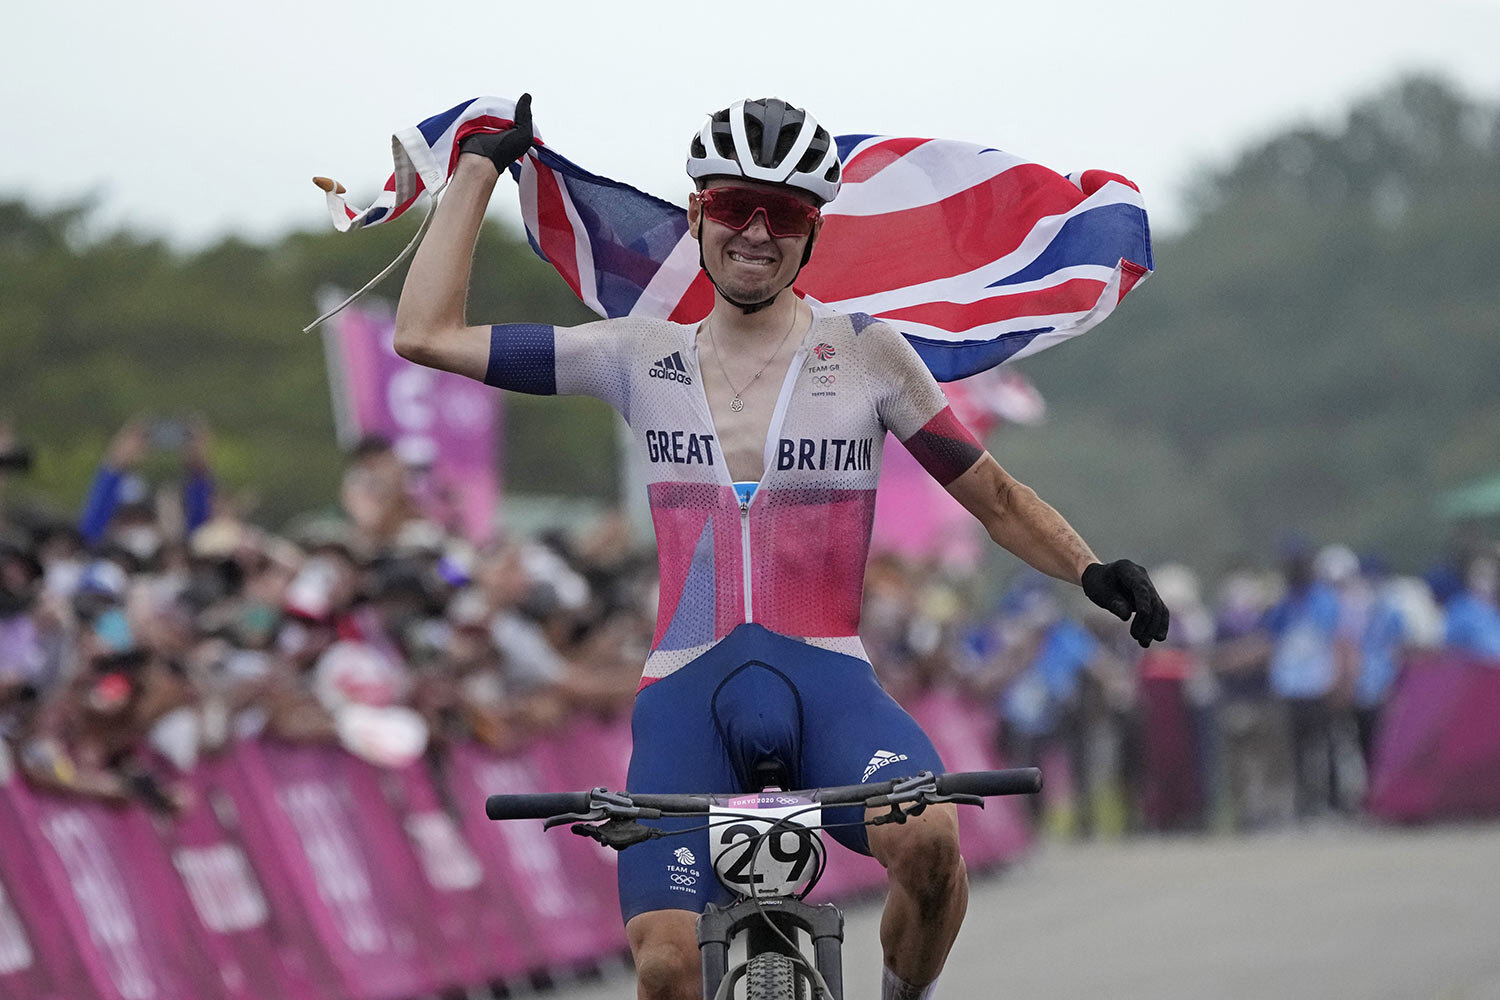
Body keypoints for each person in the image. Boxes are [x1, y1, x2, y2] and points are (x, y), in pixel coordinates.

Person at [393, 95, 1169, 1000]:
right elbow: (426, 335)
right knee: (668, 967)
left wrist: (1093, 569)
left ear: (814, 235)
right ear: (696, 216)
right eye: (732, 208)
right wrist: (478, 169)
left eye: (787, 216)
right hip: (688, 694)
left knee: (929, 839)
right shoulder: (636, 355)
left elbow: (992, 497)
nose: (756, 233)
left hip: (829, 688)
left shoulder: (872, 355)